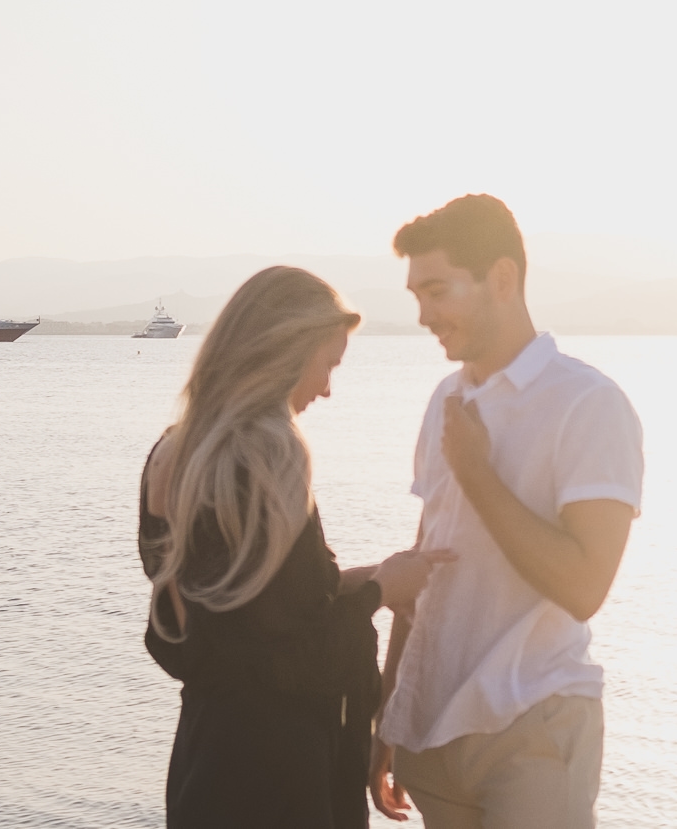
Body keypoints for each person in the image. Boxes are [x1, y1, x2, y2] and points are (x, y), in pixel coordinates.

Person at [140, 265, 453, 829]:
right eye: (328, 364)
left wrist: (371, 575)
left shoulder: (174, 456)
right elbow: (293, 653)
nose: (327, 389)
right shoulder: (269, 454)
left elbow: (242, 613)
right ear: (284, 351)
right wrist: (383, 591)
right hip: (282, 775)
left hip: (205, 763)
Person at [370, 195, 645, 829]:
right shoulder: (446, 399)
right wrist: (389, 715)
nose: (423, 315)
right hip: (434, 737)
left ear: (502, 278)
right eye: (416, 296)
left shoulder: (589, 406)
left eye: (437, 291)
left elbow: (583, 588)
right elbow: (423, 568)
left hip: (534, 726)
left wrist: (476, 472)